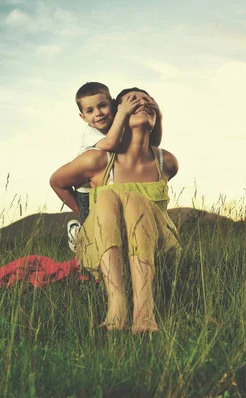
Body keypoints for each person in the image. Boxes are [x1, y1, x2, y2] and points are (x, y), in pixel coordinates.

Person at [50, 88, 179, 334]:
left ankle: (144, 314)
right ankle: (117, 308)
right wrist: (87, 218)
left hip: (158, 249)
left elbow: (152, 142)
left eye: (148, 102)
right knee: (109, 194)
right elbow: (57, 181)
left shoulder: (167, 161)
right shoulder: (97, 159)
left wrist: (157, 114)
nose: (142, 104)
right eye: (133, 101)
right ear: (119, 114)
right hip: (104, 249)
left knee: (134, 199)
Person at [66, 82, 164, 251]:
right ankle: (78, 233)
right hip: (85, 190)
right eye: (90, 111)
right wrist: (123, 112)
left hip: (103, 188)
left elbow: (151, 144)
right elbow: (111, 143)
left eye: (103, 106)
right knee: (93, 228)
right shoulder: (91, 133)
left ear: (111, 105)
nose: (98, 114)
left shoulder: (115, 125)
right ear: (83, 117)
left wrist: (158, 116)